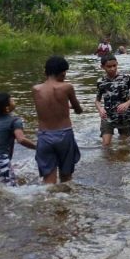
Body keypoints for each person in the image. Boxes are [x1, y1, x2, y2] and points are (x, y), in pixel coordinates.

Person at [32, 56, 84, 184]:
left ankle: (50, 202)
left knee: (48, 180)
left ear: (45, 72)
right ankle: (64, 202)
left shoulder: (36, 89)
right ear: (63, 73)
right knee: (66, 176)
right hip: (64, 134)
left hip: (44, 136)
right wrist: (74, 108)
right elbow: (78, 109)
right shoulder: (67, 87)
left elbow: (48, 106)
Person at [95, 54, 130, 146]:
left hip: (124, 116)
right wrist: (100, 109)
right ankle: (108, 160)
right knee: (105, 145)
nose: (112, 68)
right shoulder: (100, 81)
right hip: (107, 116)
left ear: (117, 64)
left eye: (114, 66)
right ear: (102, 67)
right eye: (109, 66)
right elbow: (97, 100)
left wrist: (127, 104)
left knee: (125, 146)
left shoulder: (126, 78)